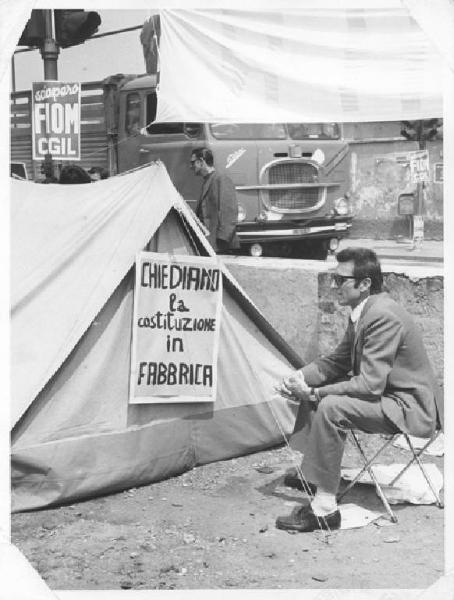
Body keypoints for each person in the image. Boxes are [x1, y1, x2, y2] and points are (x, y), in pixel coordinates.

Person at [275, 247, 443, 533]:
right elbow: (337, 361)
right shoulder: (363, 311)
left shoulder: (382, 315)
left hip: (409, 406)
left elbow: (369, 384)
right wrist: (298, 377)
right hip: (390, 397)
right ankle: (314, 475)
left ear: (365, 284)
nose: (334, 286)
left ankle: (325, 510)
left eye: (341, 280)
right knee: (317, 388)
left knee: (329, 405)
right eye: (334, 279)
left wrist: (314, 394)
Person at [190, 147, 241, 253]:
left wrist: (222, 239)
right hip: (211, 244)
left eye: (193, 162)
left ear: (201, 162)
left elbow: (229, 211)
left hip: (221, 246)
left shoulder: (221, 179)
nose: (191, 166)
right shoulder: (208, 180)